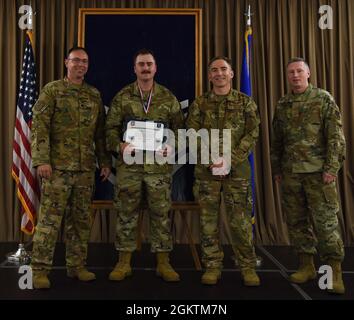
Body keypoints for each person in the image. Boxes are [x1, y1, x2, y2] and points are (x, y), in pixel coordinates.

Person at [30, 46, 111, 289]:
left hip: (85, 170)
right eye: (76, 60)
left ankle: (77, 266)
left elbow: (99, 134)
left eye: (84, 61)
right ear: (66, 62)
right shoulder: (52, 90)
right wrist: (41, 160)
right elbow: (40, 127)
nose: (80, 65)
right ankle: (40, 270)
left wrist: (105, 162)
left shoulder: (93, 95)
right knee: (50, 221)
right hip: (56, 169)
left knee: (81, 221)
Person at [105, 49, 184, 282]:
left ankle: (163, 263)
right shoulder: (123, 96)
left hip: (158, 169)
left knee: (160, 215)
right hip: (129, 168)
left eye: (149, 64)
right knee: (126, 215)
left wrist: (172, 145)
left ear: (156, 68)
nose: (146, 68)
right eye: (141, 64)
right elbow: (109, 129)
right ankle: (123, 263)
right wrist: (119, 146)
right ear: (135, 68)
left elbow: (180, 130)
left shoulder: (168, 97)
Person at [271, 57, 346, 294]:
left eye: (299, 71)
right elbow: (277, 141)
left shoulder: (323, 99)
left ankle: (334, 273)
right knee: (297, 223)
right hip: (291, 174)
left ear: (308, 73)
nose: (295, 75)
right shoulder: (283, 103)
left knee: (325, 224)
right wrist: (277, 170)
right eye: (291, 72)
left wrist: (331, 169)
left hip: (318, 174)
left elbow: (336, 137)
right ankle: (306, 267)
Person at [186, 56, 261, 286]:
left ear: (232, 74)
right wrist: (210, 160)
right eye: (214, 70)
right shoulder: (200, 104)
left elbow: (253, 133)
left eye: (223, 69)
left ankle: (247, 267)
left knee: (239, 223)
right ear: (209, 76)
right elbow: (191, 132)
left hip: (236, 172)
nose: (219, 73)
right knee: (208, 223)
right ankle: (212, 266)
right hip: (207, 174)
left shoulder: (245, 102)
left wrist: (231, 159)